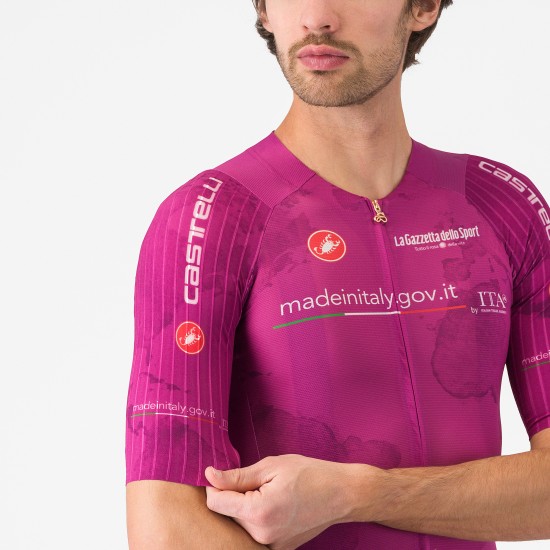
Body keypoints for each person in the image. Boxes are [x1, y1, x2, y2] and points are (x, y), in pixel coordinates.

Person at [125, 1, 550, 548]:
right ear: (264, 10)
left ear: (422, 6)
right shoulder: (212, 220)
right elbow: (167, 527)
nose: (316, 17)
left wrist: (361, 494)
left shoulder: (503, 206)